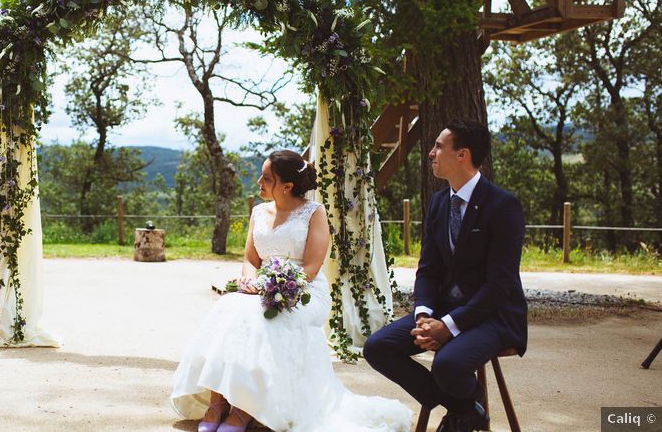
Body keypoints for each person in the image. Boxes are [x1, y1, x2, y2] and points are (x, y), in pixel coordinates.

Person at [171, 149, 412, 432]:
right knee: (228, 309)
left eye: (266, 178)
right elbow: (250, 259)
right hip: (261, 289)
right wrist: (250, 281)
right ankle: (217, 401)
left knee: (261, 318)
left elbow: (311, 266)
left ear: (286, 186)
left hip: (303, 291)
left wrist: (273, 286)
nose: (258, 182)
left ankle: (243, 408)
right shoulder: (259, 212)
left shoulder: (314, 213)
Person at [363, 119, 527, 432]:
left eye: (439, 146)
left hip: (493, 316)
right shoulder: (439, 202)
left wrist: (448, 326)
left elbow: (499, 285)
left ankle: (462, 413)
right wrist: (424, 315)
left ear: (462, 155)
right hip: (440, 310)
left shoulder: (503, 205)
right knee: (377, 347)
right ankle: (467, 408)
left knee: (448, 364)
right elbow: (428, 269)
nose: (431, 153)